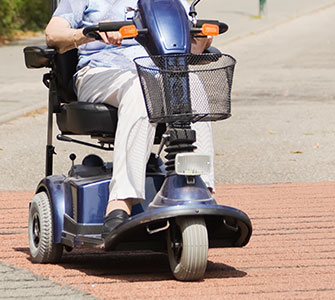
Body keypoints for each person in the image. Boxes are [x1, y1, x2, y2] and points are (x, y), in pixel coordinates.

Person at [44, 0, 215, 235]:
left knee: (191, 83)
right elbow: (53, 35)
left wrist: (200, 41)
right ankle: (120, 201)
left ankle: (202, 188)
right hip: (100, 71)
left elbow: (189, 49)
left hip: (159, 72)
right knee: (140, 88)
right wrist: (90, 34)